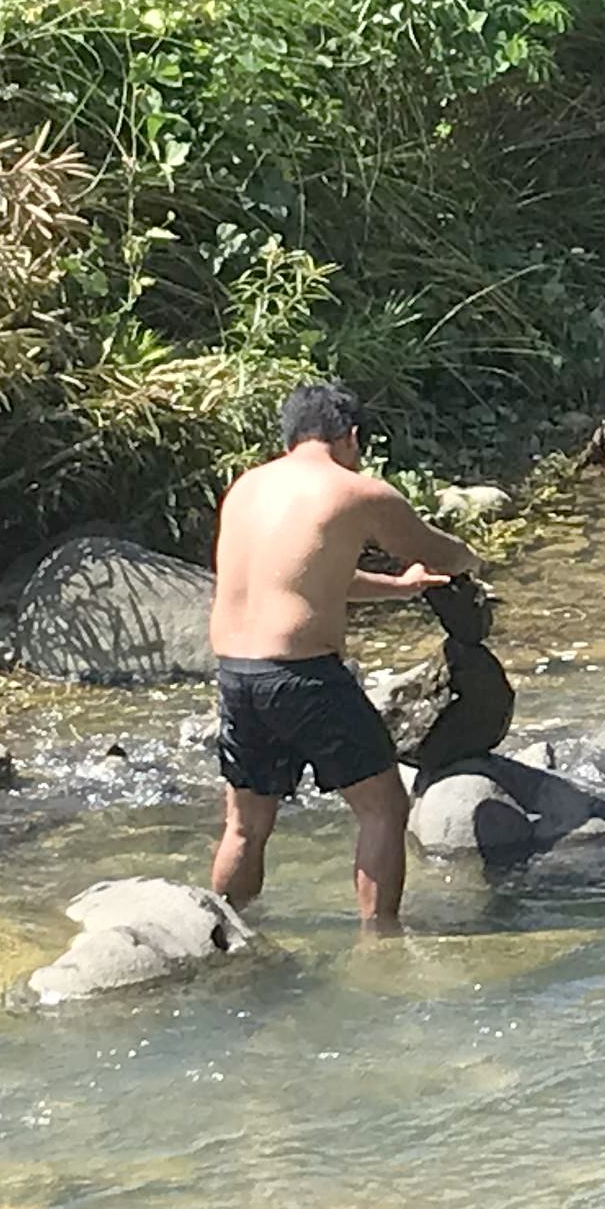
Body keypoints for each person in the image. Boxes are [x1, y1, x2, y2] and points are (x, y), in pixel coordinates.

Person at [208, 380, 483, 924]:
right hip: (304, 679)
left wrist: (399, 588)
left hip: (237, 675)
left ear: (290, 436)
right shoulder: (355, 490)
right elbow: (436, 550)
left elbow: (302, 580)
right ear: (351, 438)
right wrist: (470, 561)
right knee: (383, 807)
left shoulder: (246, 488)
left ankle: (221, 927)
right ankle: (379, 946)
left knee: (245, 825)